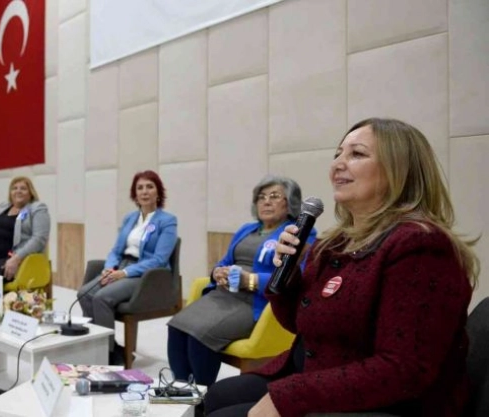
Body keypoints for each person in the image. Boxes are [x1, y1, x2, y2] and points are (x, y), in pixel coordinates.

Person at [204, 118, 479, 417]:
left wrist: (291, 396)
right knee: (216, 397)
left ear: (399, 170)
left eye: (357, 154)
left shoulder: (420, 247)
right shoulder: (335, 243)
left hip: (390, 403)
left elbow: (405, 369)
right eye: (337, 154)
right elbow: (298, 324)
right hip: (320, 371)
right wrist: (288, 277)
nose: (337, 164)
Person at [166, 175, 316, 387]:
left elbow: (298, 276)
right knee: (177, 326)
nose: (266, 202)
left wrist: (251, 280)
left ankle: (201, 395)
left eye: (274, 196)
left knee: (199, 334)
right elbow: (225, 260)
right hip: (222, 296)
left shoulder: (297, 233)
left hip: (255, 302)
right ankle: (182, 390)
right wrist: (217, 272)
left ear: (289, 202)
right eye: (261, 197)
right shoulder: (247, 229)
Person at [78, 170, 178, 365]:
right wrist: (109, 268)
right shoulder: (130, 219)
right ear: (135, 194)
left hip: (145, 275)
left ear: (158, 192)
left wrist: (124, 273)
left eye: (150, 187)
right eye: (140, 188)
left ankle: (107, 356)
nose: (144, 191)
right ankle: (108, 348)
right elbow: (116, 250)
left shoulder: (167, 221)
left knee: (101, 298)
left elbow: (159, 259)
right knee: (84, 293)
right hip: (121, 266)